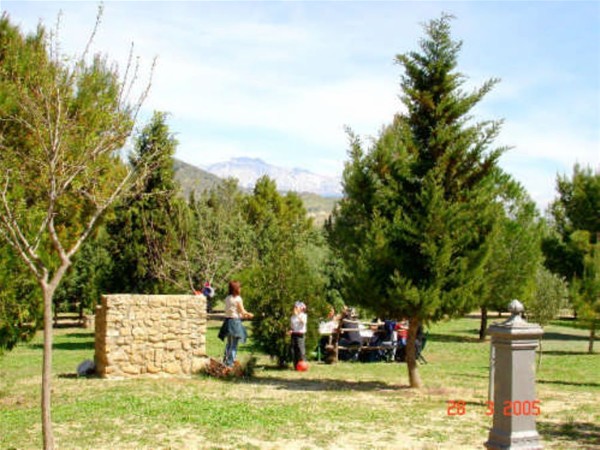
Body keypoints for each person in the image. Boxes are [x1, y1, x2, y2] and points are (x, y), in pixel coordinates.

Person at [218, 280, 253, 367]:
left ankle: (225, 361)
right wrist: (249, 314)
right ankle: (230, 364)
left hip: (227, 322)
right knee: (234, 344)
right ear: (236, 289)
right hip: (235, 323)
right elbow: (242, 311)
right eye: (239, 287)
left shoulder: (227, 298)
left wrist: (244, 314)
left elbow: (233, 310)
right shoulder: (238, 299)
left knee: (229, 343)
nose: (240, 289)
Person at [289, 301, 307, 369]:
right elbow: (292, 327)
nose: (295, 309)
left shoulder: (303, 315)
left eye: (296, 307)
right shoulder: (292, 317)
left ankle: (302, 366)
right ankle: (296, 366)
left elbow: (303, 322)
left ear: (300, 308)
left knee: (301, 351)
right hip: (294, 334)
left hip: (300, 335)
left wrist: (297, 315)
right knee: (294, 351)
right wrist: (290, 330)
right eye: (294, 307)